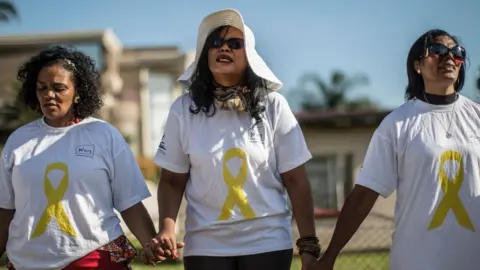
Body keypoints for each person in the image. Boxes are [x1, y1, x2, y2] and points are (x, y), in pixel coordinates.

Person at [150, 8, 319, 270]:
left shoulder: (274, 106)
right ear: (206, 54)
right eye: (215, 43)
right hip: (205, 246)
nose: (223, 48)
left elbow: (296, 180)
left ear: (249, 55)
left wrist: (308, 244)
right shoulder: (183, 110)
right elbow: (172, 181)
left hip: (268, 244)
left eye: (234, 43)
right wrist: (167, 229)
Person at [315, 29, 480, 270]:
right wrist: (331, 255)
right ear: (417, 65)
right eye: (437, 51)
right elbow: (363, 195)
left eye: (456, 53)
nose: (448, 58)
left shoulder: (476, 117)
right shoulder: (397, 124)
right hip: (417, 261)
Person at [0, 46, 175, 270]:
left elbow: (129, 202)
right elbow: (5, 208)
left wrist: (150, 243)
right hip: (27, 263)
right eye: (41, 88)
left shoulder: (103, 134)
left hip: (94, 258)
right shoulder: (19, 140)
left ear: (78, 91)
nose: (48, 95)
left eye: (59, 88)